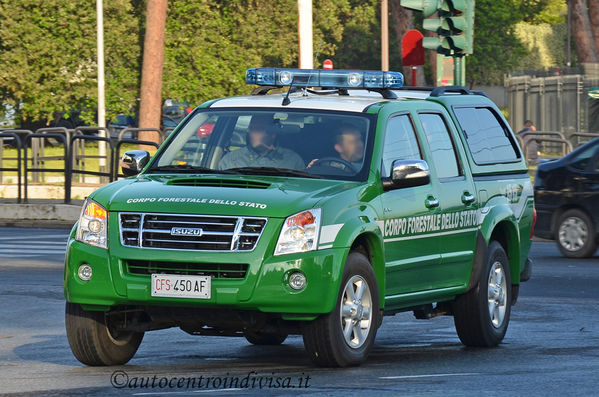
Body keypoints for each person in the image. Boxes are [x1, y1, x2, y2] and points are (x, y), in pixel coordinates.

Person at [217, 115, 305, 170]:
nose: (252, 133)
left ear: (272, 133)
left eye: (259, 129)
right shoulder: (231, 160)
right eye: (251, 129)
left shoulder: (292, 161)